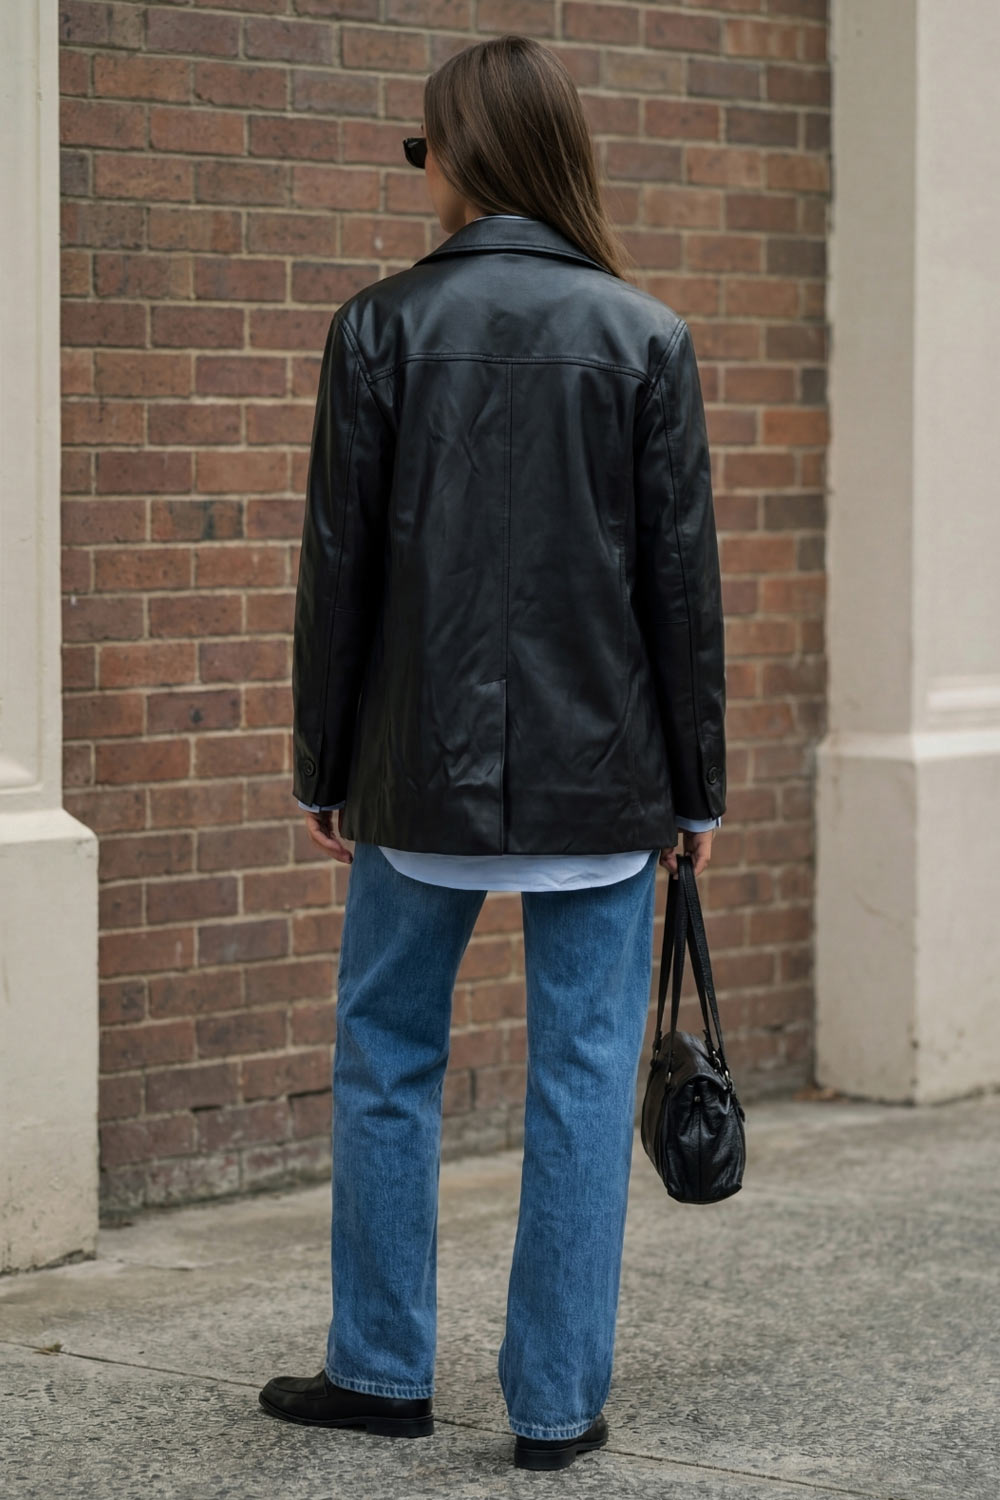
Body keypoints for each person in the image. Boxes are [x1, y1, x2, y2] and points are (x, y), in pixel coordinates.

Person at [258, 33, 726, 1472]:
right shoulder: (646, 335)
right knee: (582, 1076)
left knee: (386, 1056)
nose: (423, 173)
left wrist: (322, 764)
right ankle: (555, 1409)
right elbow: (681, 595)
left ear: (463, 156)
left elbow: (339, 573)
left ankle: (381, 1369)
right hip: (607, 780)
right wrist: (698, 793)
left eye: (426, 148)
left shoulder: (377, 329)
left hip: (419, 774)